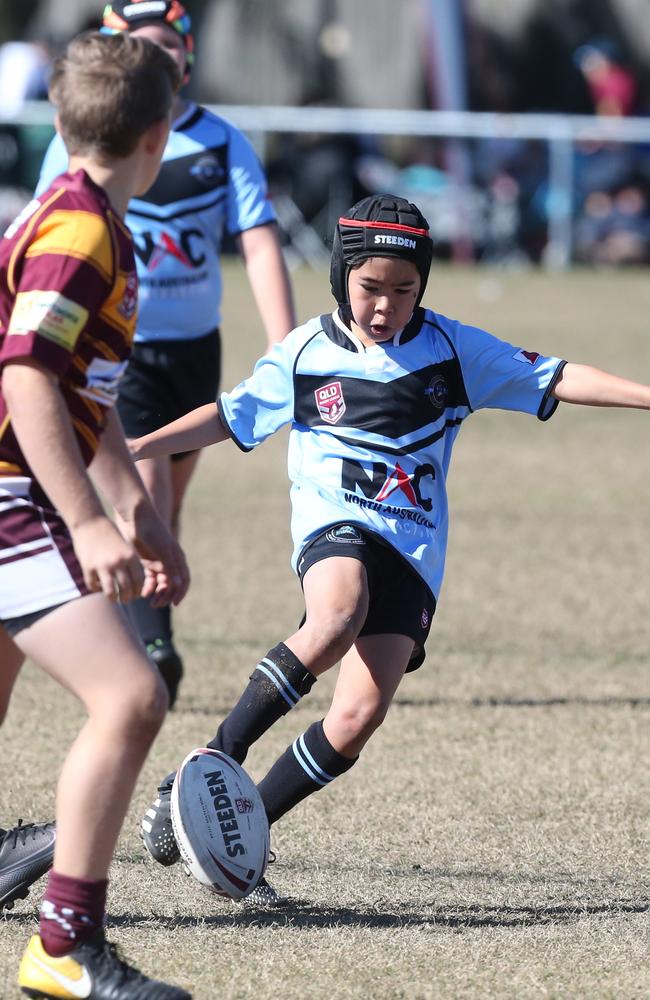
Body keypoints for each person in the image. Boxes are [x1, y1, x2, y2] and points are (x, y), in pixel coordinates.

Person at [132, 192, 650, 906]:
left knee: (357, 717)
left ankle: (233, 830)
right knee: (337, 613)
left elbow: (556, 375)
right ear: (343, 274)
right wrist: (135, 448)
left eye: (403, 291)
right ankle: (216, 754)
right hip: (335, 526)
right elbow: (228, 416)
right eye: (371, 287)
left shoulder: (453, 351)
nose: (385, 305)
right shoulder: (307, 355)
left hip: (414, 549)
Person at [0, 30, 193, 999]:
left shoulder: (80, 214)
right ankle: (63, 946)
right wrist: (84, 523)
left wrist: (136, 512)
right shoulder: (80, 233)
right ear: (160, 136)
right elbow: (29, 378)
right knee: (131, 697)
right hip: (8, 495)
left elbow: (86, 390)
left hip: (23, 486)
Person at [36, 0, 296, 707]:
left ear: (187, 57)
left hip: (194, 350)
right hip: (124, 352)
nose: (161, 60)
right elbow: (40, 239)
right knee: (143, 489)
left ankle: (148, 623)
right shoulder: (84, 159)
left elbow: (260, 240)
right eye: (142, 47)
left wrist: (285, 350)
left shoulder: (218, 141)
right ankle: (151, 647)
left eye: (169, 47)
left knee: (165, 502)